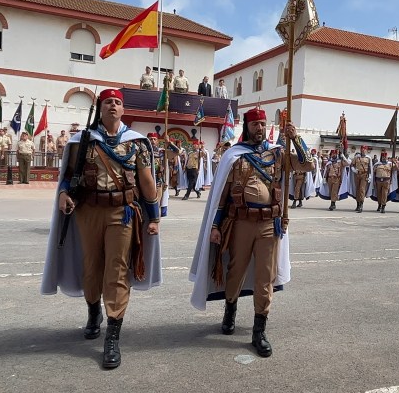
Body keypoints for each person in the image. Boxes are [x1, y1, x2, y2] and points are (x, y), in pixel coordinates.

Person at [43, 88, 162, 370]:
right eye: (108, 102)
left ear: (123, 110)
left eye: (118, 102)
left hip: (123, 212)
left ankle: (112, 335)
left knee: (117, 269)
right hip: (89, 211)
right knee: (91, 266)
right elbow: (69, 175)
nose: (113, 106)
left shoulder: (136, 143)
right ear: (100, 107)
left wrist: (154, 217)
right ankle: (93, 311)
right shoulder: (83, 140)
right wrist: (63, 193)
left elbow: (147, 181)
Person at [189, 107, 314, 358]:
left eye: (263, 124)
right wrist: (215, 225)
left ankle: (259, 330)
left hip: (269, 224)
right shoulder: (235, 155)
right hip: (241, 223)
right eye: (255, 124)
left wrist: (296, 138)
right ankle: (230, 309)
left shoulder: (278, 153)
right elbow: (221, 196)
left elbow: (307, 165)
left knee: (265, 277)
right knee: (236, 270)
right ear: (247, 127)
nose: (260, 128)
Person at [349, 145, 372, 213]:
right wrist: (353, 170)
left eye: (364, 149)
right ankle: (358, 204)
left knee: (362, 189)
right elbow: (352, 164)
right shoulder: (356, 157)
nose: (363, 150)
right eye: (362, 149)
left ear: (366, 150)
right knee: (357, 189)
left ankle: (361, 205)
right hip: (357, 174)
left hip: (364, 175)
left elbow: (370, 167)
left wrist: (370, 176)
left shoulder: (368, 158)